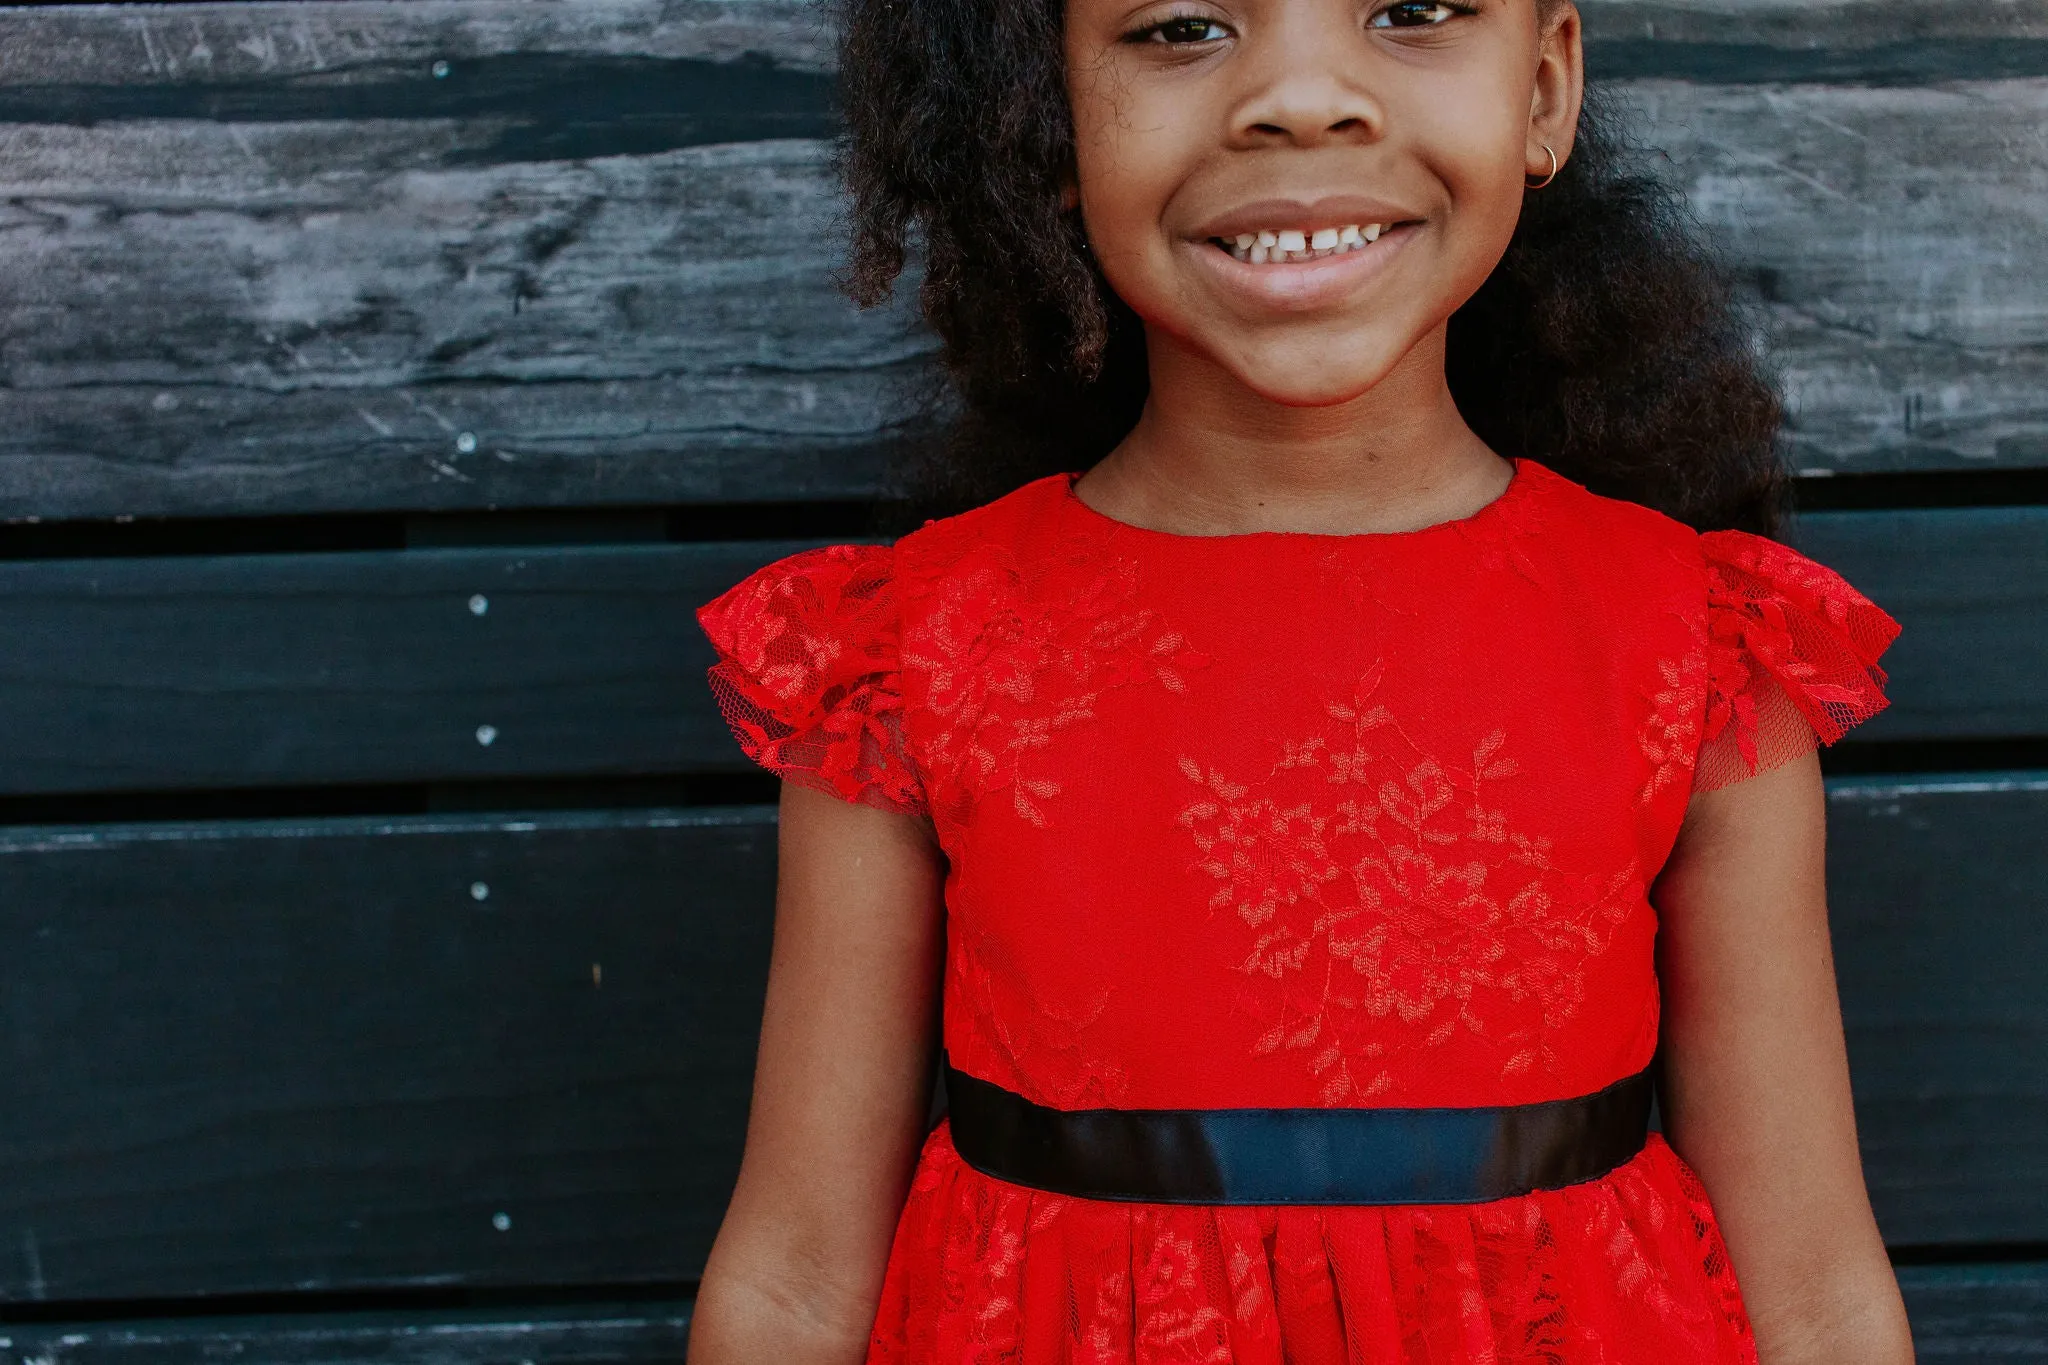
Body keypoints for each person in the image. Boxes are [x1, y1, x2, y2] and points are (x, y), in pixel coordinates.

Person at [683, 0, 1918, 1357]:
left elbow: (1812, 1285)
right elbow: (796, 1278)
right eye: (1183, 26)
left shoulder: (1696, 644)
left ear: (1546, 89)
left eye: (1415, 12)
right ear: (1043, 113)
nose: (1303, 98)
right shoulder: (903, 653)